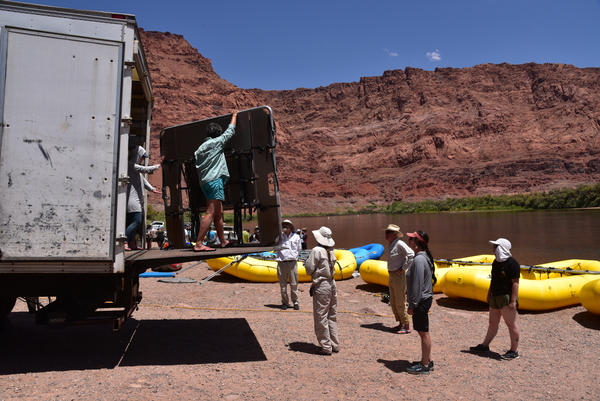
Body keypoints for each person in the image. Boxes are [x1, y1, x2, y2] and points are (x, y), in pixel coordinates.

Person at [193, 110, 238, 252]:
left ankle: (223, 241)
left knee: (218, 212)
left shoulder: (199, 149)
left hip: (205, 183)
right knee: (211, 212)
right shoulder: (217, 143)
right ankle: (199, 243)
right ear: (217, 134)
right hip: (215, 181)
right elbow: (230, 132)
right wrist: (234, 115)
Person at [469, 238, 521, 360]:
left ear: (501, 248)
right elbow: (493, 279)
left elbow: (515, 283)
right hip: (495, 296)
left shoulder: (512, 264)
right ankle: (485, 346)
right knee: (493, 322)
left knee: (511, 324)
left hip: (506, 297)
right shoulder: (496, 262)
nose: (493, 248)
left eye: (495, 246)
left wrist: (513, 301)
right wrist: (489, 293)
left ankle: (514, 351)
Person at [405, 230, 436, 375]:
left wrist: (412, 305)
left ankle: (425, 365)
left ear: (416, 243)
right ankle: (427, 359)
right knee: (423, 332)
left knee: (424, 333)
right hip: (424, 299)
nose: (409, 240)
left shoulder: (418, 260)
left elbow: (417, 285)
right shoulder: (423, 257)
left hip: (421, 301)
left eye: (411, 239)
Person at [305, 226, 339, 355]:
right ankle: (334, 344)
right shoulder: (331, 250)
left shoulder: (316, 250)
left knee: (321, 316)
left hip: (322, 285)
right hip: (332, 284)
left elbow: (309, 269)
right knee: (331, 315)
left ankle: (325, 346)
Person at [126, 144, 160, 251]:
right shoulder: (131, 165)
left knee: (132, 223)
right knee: (137, 221)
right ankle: (123, 241)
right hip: (132, 201)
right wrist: (158, 166)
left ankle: (131, 243)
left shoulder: (135, 169)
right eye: (142, 156)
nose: (142, 159)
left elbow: (143, 181)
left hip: (135, 200)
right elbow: (145, 169)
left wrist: (152, 189)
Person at [384, 224, 415, 334]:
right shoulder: (391, 244)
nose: (386, 234)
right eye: (386, 232)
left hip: (398, 276)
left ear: (394, 234)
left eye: (388, 232)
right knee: (393, 301)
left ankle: (406, 326)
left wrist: (403, 268)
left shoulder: (400, 244)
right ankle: (400, 324)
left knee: (400, 300)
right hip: (392, 275)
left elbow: (411, 255)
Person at [276, 219, 303, 310]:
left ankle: (295, 302)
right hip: (282, 263)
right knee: (283, 285)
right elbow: (276, 247)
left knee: (294, 284)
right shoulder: (279, 237)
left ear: (291, 227)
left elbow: (299, 249)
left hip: (292, 263)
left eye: (287, 225)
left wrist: (294, 257)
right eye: (284, 225)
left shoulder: (296, 237)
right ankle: (284, 302)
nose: (285, 226)